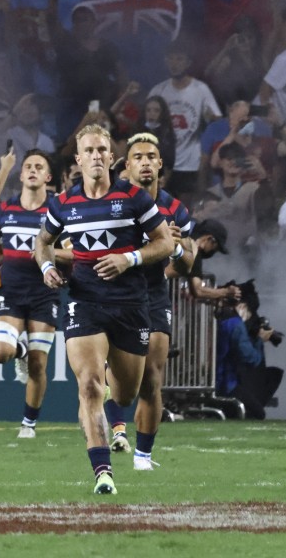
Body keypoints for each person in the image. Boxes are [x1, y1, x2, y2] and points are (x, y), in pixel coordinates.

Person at [35, 124, 173, 495]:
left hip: (130, 305)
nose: (96, 156)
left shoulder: (134, 198)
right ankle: (103, 472)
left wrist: (129, 258)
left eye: (102, 150)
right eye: (89, 151)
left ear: (112, 158)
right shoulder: (63, 203)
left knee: (125, 395)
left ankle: (116, 404)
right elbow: (42, 242)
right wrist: (47, 267)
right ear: (78, 160)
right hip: (85, 301)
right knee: (89, 385)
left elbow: (165, 244)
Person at [103, 132, 196, 471]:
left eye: (150, 157)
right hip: (113, 294)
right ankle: (112, 410)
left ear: (159, 165)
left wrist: (177, 247)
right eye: (138, 157)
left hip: (153, 295)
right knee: (123, 386)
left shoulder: (174, 209)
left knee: (152, 379)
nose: (145, 162)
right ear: (127, 166)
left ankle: (143, 456)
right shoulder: (113, 202)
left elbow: (188, 264)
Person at [0, 149, 61, 438]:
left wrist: (47, 252)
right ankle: (21, 351)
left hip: (44, 293)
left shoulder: (59, 209)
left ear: (48, 177)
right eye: (28, 166)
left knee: (39, 366)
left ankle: (28, 425)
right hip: (11, 292)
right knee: (0, 352)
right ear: (21, 173)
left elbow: (77, 251)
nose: (32, 170)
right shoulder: (5, 209)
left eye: (39, 166)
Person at [146, 40, 222, 200]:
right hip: (163, 162)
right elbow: (146, 124)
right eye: (171, 59)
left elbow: (217, 120)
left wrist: (209, 120)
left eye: (179, 59)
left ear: (188, 63)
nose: (174, 63)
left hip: (191, 163)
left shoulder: (200, 89)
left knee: (186, 211)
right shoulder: (159, 90)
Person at [215, 280, 284, 420]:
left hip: (218, 381)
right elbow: (250, 358)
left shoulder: (221, 319)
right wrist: (259, 339)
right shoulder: (235, 325)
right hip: (225, 385)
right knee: (257, 413)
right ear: (242, 306)